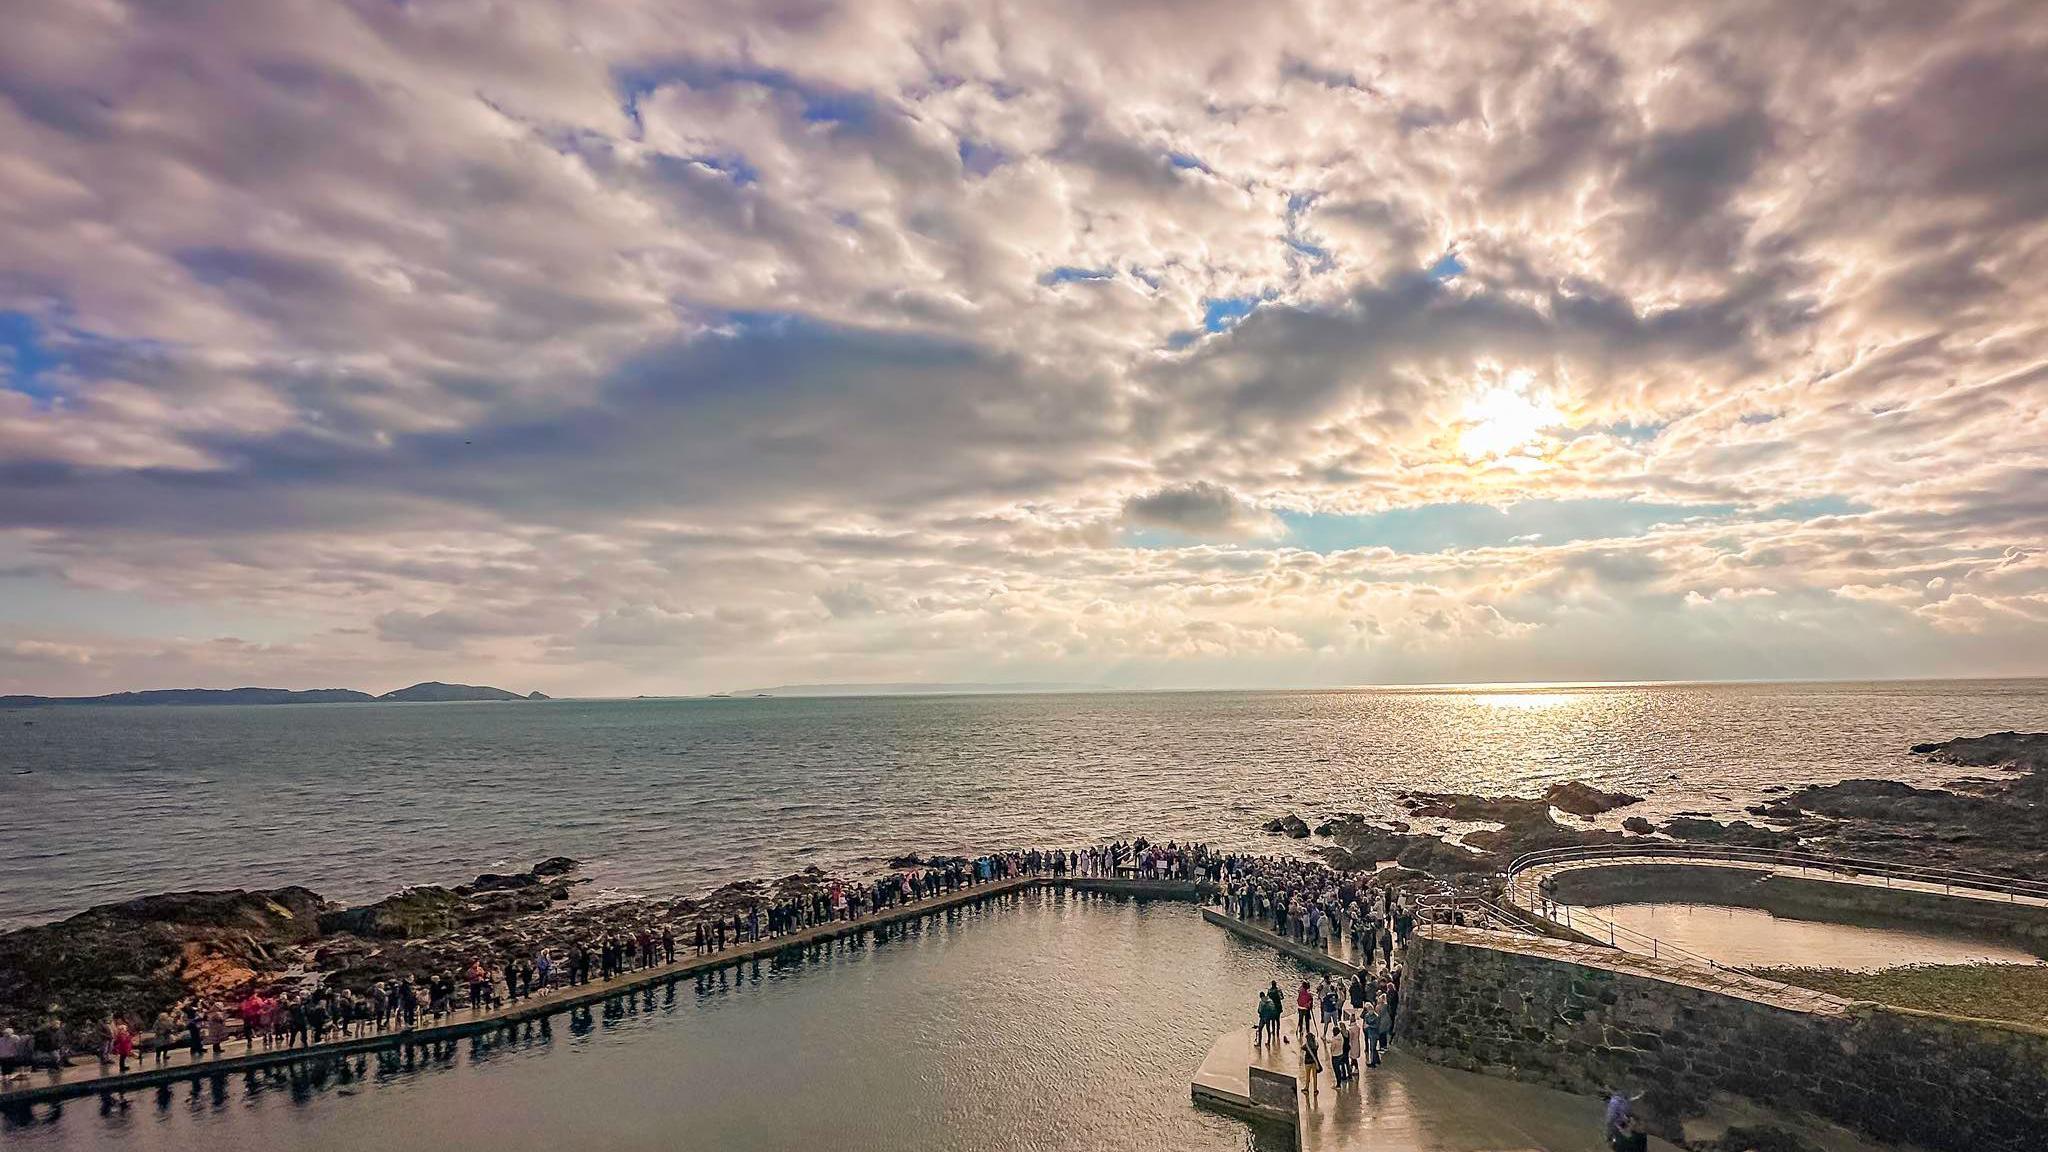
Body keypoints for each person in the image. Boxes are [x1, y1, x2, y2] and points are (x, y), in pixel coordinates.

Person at [1300, 1028, 1322, 1105]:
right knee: (1315, 1077)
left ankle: (1306, 1088)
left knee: (1307, 1076)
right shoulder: (1316, 1045)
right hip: (1314, 1062)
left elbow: (1301, 1047)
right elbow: (1317, 1046)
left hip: (1307, 1062)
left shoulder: (1306, 1046)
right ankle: (1315, 1090)